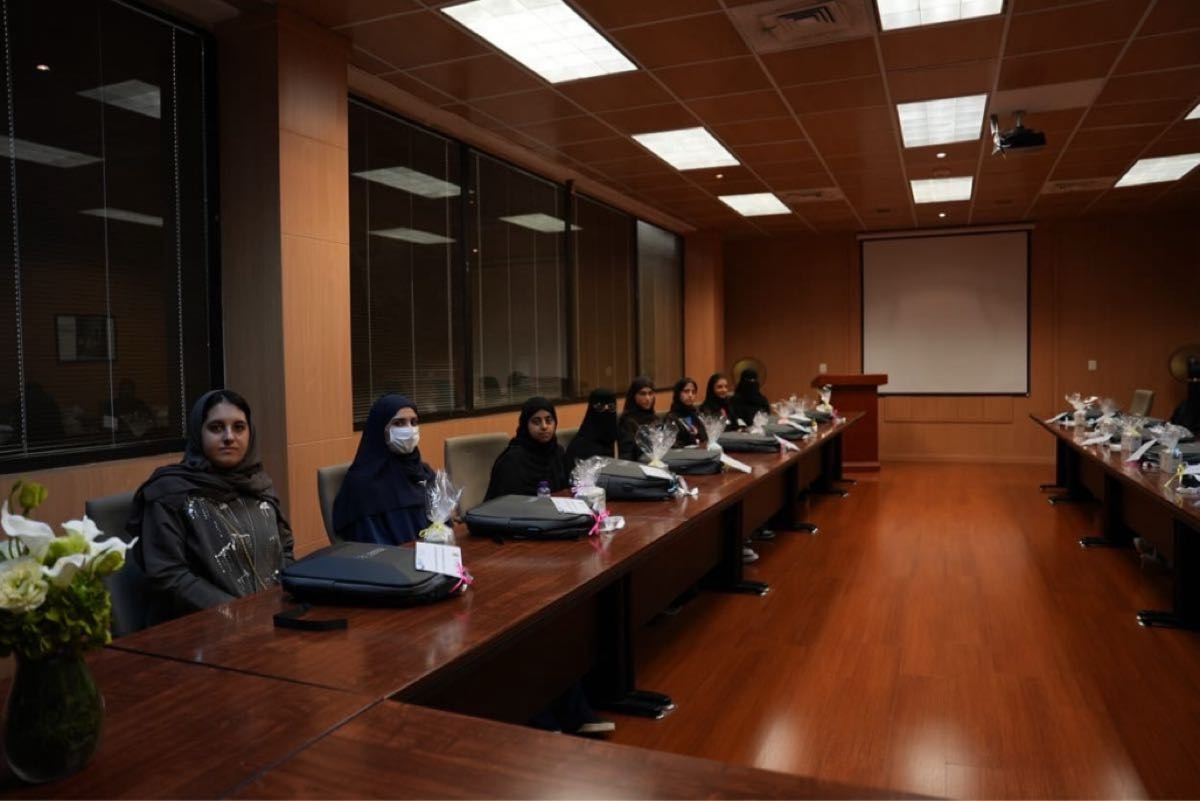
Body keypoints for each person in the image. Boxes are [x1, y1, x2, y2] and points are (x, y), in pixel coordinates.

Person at [128, 389, 294, 625]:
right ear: (199, 432)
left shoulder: (258, 484)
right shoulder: (169, 493)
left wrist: (286, 601)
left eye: (239, 427)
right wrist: (241, 614)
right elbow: (170, 576)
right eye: (216, 428)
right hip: (200, 628)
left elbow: (285, 551)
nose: (229, 437)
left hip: (268, 621)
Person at [333, 393, 435, 545]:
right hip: (394, 557)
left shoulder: (424, 473)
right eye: (399, 423)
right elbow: (371, 545)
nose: (409, 430)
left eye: (413, 422)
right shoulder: (363, 485)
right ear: (379, 429)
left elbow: (442, 523)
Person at [484, 396, 569, 500]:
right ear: (525, 425)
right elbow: (504, 502)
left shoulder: (557, 451)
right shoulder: (512, 459)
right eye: (536, 422)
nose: (544, 426)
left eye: (549, 420)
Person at [565, 387, 618, 466]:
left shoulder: (616, 438)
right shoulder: (580, 447)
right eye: (600, 407)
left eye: (611, 407)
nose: (606, 411)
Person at [617, 376, 657, 461]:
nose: (648, 398)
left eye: (650, 393)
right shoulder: (627, 421)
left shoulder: (655, 418)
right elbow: (627, 454)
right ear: (633, 396)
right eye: (643, 394)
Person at [666, 377, 708, 448]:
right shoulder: (671, 418)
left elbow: (704, 438)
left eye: (693, 392)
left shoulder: (696, 414)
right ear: (678, 393)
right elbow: (673, 445)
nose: (690, 395)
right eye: (686, 391)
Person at [1170, 356, 1200, 433]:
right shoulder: (1183, 406)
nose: (1194, 382)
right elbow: (1172, 425)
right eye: (1191, 379)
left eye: (1197, 379)